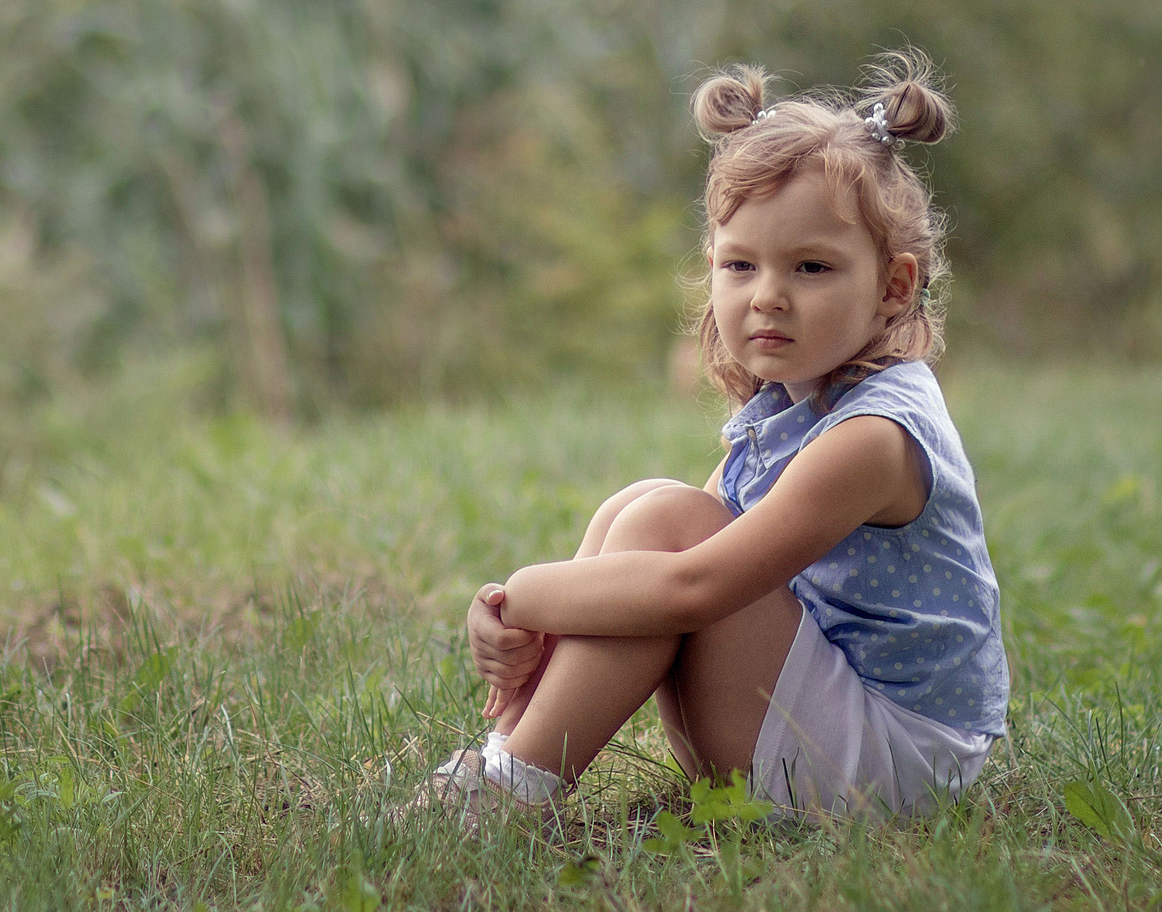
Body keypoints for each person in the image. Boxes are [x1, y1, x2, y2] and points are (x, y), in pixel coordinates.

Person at [424, 53, 1008, 827]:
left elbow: (691, 586)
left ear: (894, 287)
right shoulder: (793, 403)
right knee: (641, 507)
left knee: (663, 527)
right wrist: (523, 615)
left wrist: (517, 597)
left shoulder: (874, 434)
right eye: (741, 264)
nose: (768, 295)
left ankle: (511, 786)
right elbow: (678, 543)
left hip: (893, 765)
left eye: (811, 265)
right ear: (712, 269)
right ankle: (506, 756)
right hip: (825, 727)